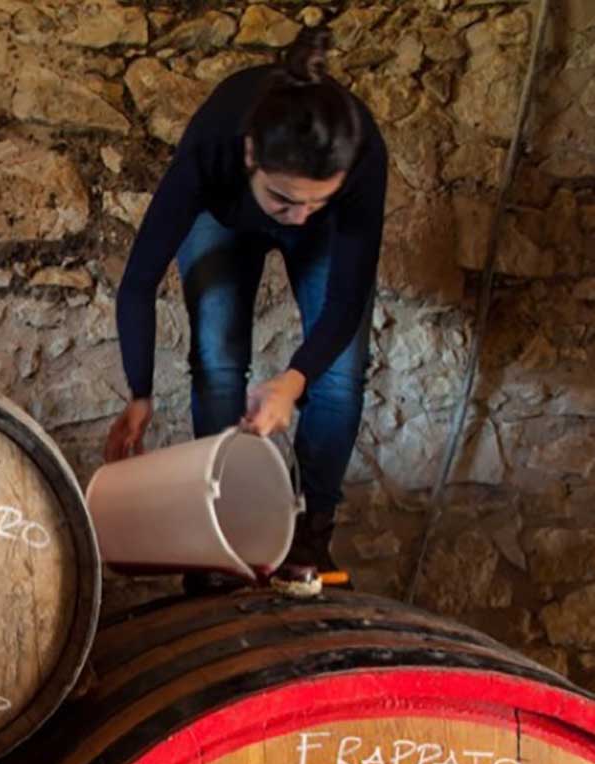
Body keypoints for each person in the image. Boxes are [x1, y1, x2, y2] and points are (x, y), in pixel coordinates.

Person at [105, 27, 387, 582]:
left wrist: (294, 379)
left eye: (315, 201)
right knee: (217, 357)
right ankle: (221, 533)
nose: (297, 216)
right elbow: (137, 281)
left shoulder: (362, 160)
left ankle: (310, 535)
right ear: (251, 154)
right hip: (224, 218)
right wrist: (139, 394)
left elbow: (347, 300)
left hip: (330, 230)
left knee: (337, 378)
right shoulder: (213, 145)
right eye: (283, 197)